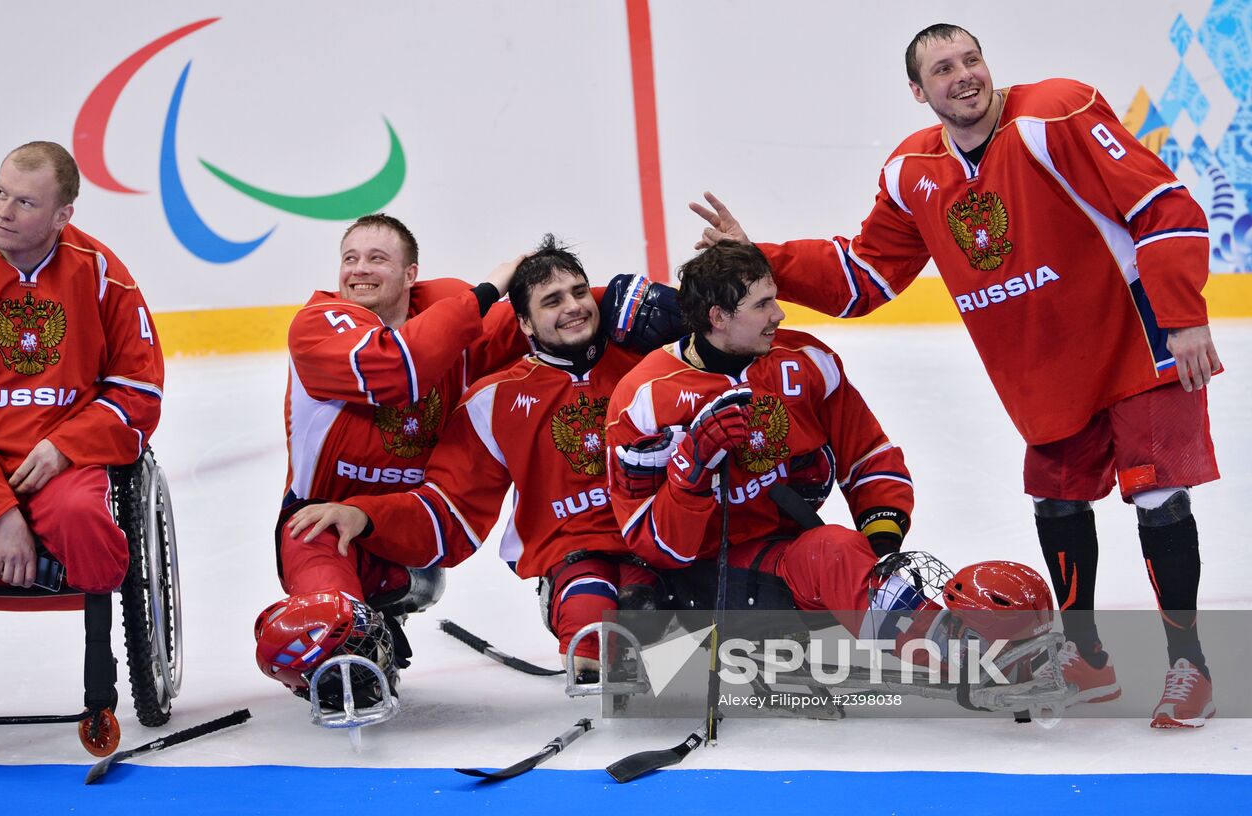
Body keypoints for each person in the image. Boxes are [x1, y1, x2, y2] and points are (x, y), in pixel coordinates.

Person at [691, 24, 1220, 727]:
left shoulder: (1056, 114)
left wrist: (1182, 315)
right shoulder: (913, 172)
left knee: (1158, 499)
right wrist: (763, 256)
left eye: (972, 60)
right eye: (943, 69)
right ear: (918, 91)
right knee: (1056, 504)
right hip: (1046, 369)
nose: (964, 76)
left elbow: (1163, 206)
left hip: (1136, 340)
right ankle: (1087, 657)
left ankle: (1190, 665)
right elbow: (865, 276)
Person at [284, 236, 685, 681]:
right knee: (600, 650)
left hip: (667, 538)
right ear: (524, 326)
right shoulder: (490, 398)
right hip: (567, 548)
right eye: (552, 300)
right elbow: (449, 508)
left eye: (578, 293)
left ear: (410, 273)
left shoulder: (658, 365)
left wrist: (637, 302)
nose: (572, 306)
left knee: (679, 650)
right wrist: (365, 514)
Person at [0, 141, 165, 713]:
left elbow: (140, 391)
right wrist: (0, 517)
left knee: (81, 519)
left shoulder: (102, 275)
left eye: (24, 202)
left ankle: (100, 670)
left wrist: (67, 446)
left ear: (62, 216)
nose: (2, 212)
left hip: (63, 463)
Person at [254, 213, 534, 713]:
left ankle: (371, 617)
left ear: (411, 276)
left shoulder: (452, 311)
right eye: (350, 259)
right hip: (321, 523)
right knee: (327, 642)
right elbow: (396, 366)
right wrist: (488, 292)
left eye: (377, 259)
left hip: (411, 535)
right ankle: (348, 630)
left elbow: (563, 320)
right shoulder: (319, 324)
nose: (359, 270)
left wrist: (664, 304)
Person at [604, 240, 921, 653]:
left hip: (792, 550)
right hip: (709, 582)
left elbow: (867, 453)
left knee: (842, 554)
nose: (779, 313)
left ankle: (943, 637)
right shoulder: (644, 400)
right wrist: (693, 468)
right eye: (762, 304)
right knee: (835, 555)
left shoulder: (805, 359)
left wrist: (880, 544)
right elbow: (655, 545)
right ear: (718, 317)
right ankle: (961, 655)